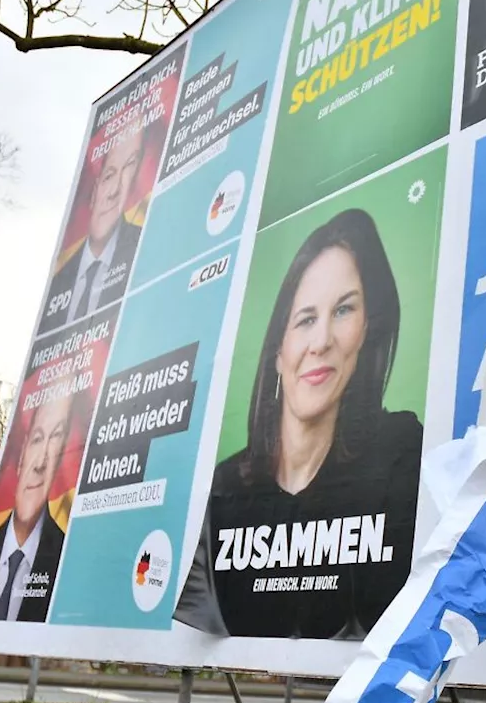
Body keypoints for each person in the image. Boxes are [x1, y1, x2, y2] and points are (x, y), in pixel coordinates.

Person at [173, 208, 423, 640]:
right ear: (278, 350)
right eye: (306, 319)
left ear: (366, 331)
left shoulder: (401, 459)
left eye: (344, 311)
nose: (321, 340)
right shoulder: (224, 491)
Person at [0, 386, 74, 622]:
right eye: (38, 439)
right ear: (21, 457)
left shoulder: (67, 561)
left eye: (55, 440)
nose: (40, 463)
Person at [37, 125, 146, 334]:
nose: (114, 191)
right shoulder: (59, 280)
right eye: (109, 176)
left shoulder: (143, 252)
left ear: (133, 187)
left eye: (128, 169)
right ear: (94, 191)